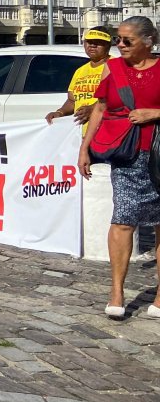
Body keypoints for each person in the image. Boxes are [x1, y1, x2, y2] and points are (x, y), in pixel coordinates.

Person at [78, 17, 160, 319]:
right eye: (118, 40)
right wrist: (85, 148)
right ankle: (116, 291)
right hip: (127, 157)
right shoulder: (113, 70)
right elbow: (100, 107)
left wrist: (155, 112)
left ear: (149, 41)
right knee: (123, 219)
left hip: (159, 156)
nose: (120, 45)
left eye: (127, 40)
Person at [48, 26, 114, 129]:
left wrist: (93, 108)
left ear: (108, 46)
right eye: (89, 41)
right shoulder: (80, 71)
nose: (92, 45)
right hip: (83, 132)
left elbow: (120, 98)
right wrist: (60, 112)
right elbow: (72, 101)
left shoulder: (117, 66)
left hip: (107, 131)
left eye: (98, 42)